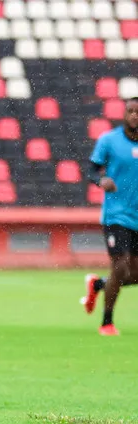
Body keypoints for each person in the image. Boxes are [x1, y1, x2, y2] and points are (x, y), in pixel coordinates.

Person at [80, 97, 138, 336]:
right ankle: (107, 323)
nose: (135, 115)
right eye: (131, 111)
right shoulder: (109, 141)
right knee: (120, 266)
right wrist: (100, 180)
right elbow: (91, 169)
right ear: (124, 114)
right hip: (116, 215)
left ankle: (98, 285)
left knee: (132, 274)